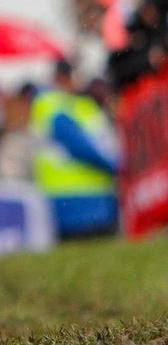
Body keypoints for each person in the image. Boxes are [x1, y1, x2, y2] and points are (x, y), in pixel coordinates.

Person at [29, 60, 121, 238]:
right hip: (76, 199)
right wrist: (118, 167)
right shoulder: (54, 104)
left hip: (93, 197)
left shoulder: (80, 104)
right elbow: (81, 147)